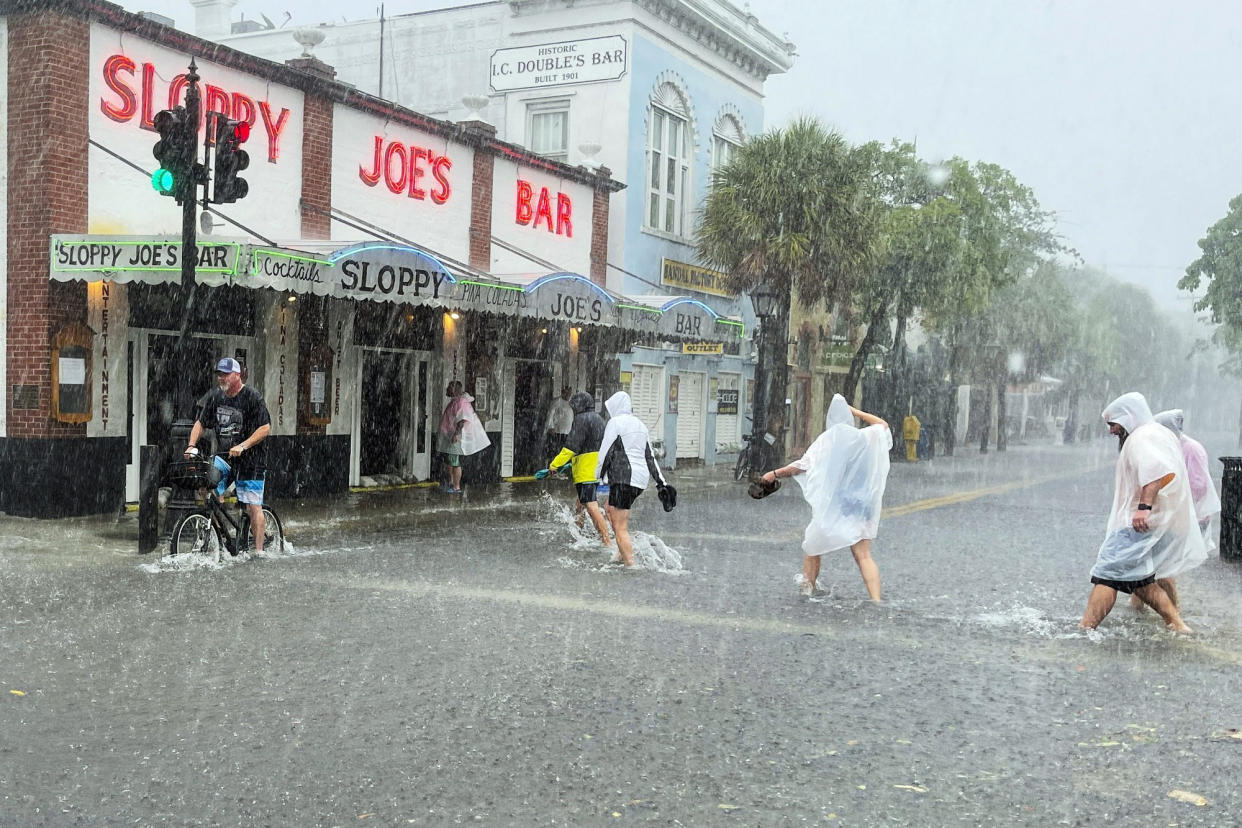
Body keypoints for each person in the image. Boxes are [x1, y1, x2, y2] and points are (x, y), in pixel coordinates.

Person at [1080, 392, 1205, 633]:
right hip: (1158, 522)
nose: (1111, 430)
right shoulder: (1155, 433)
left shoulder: (1141, 438)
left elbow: (1156, 472)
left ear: (1128, 417)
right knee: (1139, 579)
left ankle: (1086, 628)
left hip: (1138, 523)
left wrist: (1143, 509)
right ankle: (1176, 623)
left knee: (1106, 574)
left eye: (1113, 424)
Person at [761, 394, 891, 601]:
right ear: (849, 417)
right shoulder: (864, 438)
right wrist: (856, 411)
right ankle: (876, 599)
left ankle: (808, 589)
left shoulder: (828, 440)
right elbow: (882, 424)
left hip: (837, 504)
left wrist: (774, 474)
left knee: (813, 545)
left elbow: (801, 466)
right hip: (861, 504)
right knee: (863, 555)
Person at [184, 358, 272, 552]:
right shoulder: (216, 397)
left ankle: (258, 552)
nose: (221, 378)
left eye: (225, 374)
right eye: (219, 374)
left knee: (252, 506)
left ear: (237, 375)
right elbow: (200, 423)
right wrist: (191, 445)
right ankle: (219, 535)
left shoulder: (251, 396)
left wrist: (244, 445)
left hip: (252, 459)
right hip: (225, 456)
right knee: (207, 486)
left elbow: (265, 428)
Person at [596, 391, 667, 568]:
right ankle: (621, 552)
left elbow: (605, 453)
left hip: (623, 478)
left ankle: (630, 563)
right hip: (639, 481)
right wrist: (661, 483)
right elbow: (650, 457)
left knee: (620, 526)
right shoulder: (640, 425)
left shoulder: (615, 423)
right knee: (610, 508)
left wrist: (596, 477)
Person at [548, 391, 612, 549]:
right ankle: (578, 532)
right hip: (597, 467)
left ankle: (607, 541)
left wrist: (554, 465)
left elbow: (571, 446)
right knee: (580, 503)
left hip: (587, 469)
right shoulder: (598, 418)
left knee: (591, 505)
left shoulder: (581, 419)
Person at [1154, 408, 1221, 552]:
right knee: (1170, 560)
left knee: (1173, 560)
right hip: (1179, 517)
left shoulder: (1191, 449)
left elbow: (1198, 486)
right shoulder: (1173, 446)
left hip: (1191, 517)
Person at [438, 380, 490, 494]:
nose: (447, 388)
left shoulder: (461, 402)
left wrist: (456, 434)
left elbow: (462, 420)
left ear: (455, 389)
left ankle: (455, 486)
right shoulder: (455, 402)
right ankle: (451, 484)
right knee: (450, 461)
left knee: (455, 462)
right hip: (450, 435)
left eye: (449, 387)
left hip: (455, 437)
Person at [545, 386, 574, 458]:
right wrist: (550, 427)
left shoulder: (571, 403)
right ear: (563, 392)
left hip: (567, 432)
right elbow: (550, 414)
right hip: (557, 432)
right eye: (566, 393)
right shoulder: (556, 402)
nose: (568, 395)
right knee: (556, 451)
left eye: (569, 394)